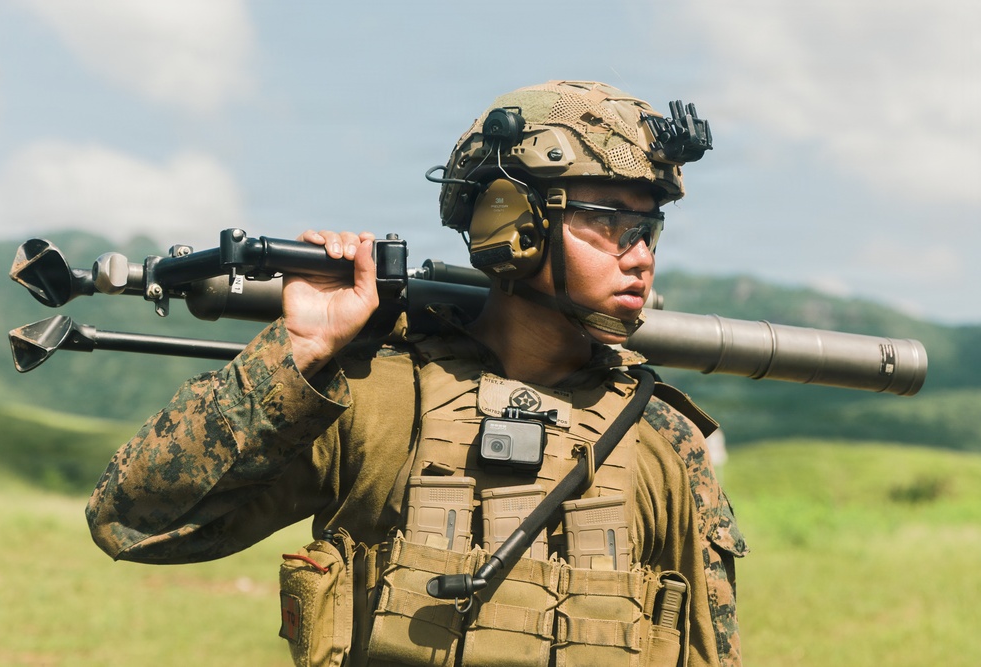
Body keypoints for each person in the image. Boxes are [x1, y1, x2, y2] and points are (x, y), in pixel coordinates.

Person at [86, 80, 748, 667]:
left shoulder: (663, 437)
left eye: (647, 227)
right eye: (606, 220)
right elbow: (133, 518)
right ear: (511, 221)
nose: (639, 255)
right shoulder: (376, 397)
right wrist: (297, 355)